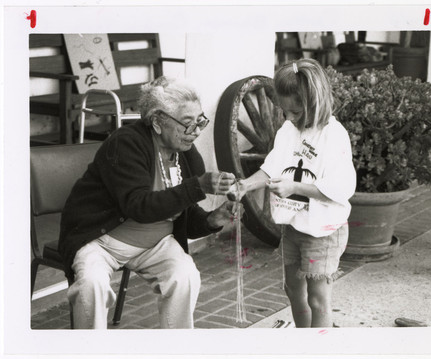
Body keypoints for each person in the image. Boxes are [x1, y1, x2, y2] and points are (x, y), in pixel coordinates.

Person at [59, 76, 240, 329]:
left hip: (154, 244)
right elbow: (139, 206)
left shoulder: (186, 154)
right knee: (92, 285)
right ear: (157, 121)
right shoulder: (127, 143)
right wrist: (198, 186)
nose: (197, 131)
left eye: (199, 121)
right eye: (187, 124)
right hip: (100, 240)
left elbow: (184, 214)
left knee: (185, 276)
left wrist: (213, 219)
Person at [229, 58, 356, 327]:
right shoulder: (288, 130)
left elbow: (341, 189)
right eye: (285, 111)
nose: (288, 117)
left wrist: (294, 187)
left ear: (314, 103)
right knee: (293, 290)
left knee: (318, 298)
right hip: (294, 227)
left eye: (295, 112)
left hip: (323, 230)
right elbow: (271, 167)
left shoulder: (334, 136)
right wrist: (245, 185)